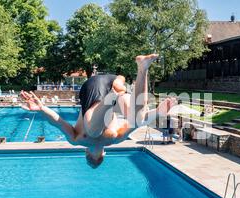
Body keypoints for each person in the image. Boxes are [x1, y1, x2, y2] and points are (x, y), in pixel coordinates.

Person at [20, 54, 177, 168]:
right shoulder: (79, 140)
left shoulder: (112, 140)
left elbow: (58, 122)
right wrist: (41, 109)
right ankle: (142, 67)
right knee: (137, 116)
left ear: (104, 154)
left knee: (97, 130)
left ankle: (116, 90)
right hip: (110, 85)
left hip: (92, 90)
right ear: (86, 154)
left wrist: (157, 112)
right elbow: (57, 121)